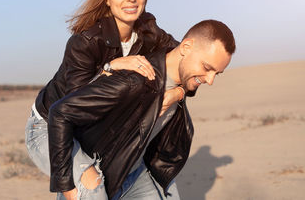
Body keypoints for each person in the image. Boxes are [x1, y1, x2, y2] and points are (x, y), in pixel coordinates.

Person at [25, 0, 182, 198]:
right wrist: (110, 67)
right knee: (92, 188)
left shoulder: (149, 32)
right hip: (50, 126)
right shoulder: (85, 42)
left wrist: (178, 93)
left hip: (103, 130)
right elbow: (73, 109)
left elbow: (187, 61)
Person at [48, 19, 236, 200]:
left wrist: (178, 93)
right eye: (206, 68)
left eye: (216, 73)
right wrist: (66, 186)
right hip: (101, 178)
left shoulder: (181, 76)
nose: (210, 80)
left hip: (137, 173)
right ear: (186, 47)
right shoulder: (134, 80)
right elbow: (59, 113)